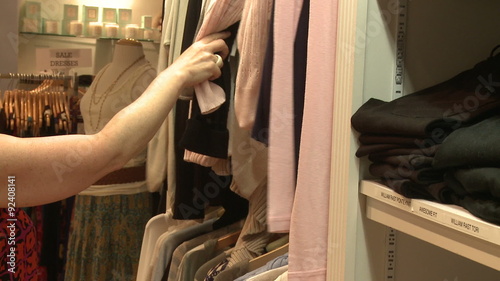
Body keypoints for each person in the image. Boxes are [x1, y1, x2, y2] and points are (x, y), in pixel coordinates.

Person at [0, 31, 230, 208]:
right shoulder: (108, 74)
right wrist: (176, 74)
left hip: (125, 192)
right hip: (93, 195)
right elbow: (107, 151)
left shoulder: (139, 74)